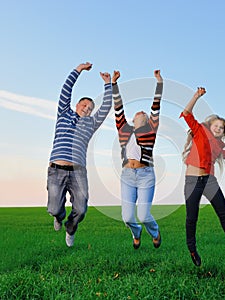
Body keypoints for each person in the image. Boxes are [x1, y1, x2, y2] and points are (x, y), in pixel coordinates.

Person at [180, 87, 225, 266]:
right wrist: (196, 96)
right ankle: (192, 249)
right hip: (192, 182)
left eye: (222, 128)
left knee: (223, 213)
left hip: (209, 181)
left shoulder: (219, 146)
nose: (219, 129)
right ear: (210, 125)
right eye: (217, 126)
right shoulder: (199, 131)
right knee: (192, 218)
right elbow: (186, 113)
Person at [47, 62, 112, 247]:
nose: (87, 109)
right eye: (84, 105)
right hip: (56, 170)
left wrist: (107, 84)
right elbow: (66, 90)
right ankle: (59, 217)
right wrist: (78, 70)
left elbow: (106, 107)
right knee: (53, 208)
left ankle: (71, 227)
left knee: (81, 209)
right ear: (77, 105)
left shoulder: (90, 124)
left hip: (78, 172)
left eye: (90, 108)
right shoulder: (63, 114)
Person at [112, 70, 163, 249]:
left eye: (145, 113)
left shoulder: (150, 130)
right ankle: (136, 233)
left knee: (143, 215)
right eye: (137, 112)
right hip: (127, 175)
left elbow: (156, 106)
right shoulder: (124, 129)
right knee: (127, 217)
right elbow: (118, 107)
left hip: (145, 175)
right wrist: (114, 84)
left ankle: (155, 232)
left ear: (148, 120)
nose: (141, 111)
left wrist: (159, 82)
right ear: (133, 120)